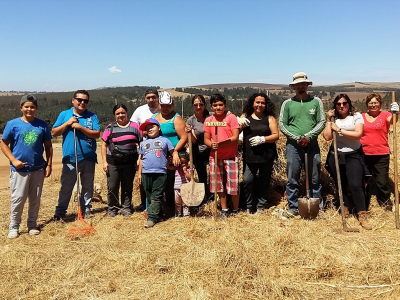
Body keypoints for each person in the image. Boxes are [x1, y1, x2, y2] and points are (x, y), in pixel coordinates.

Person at [1, 95, 53, 239]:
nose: (29, 109)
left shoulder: (42, 125)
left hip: (38, 168)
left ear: (36, 108)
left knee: (35, 199)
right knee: (18, 198)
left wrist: (48, 164)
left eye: (32, 106)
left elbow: (48, 146)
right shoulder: (13, 124)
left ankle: (32, 225)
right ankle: (14, 226)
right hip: (20, 170)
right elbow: (3, 143)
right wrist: (13, 160)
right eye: (26, 106)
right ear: (21, 108)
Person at [279, 72, 326, 218]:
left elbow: (322, 121)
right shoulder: (287, 104)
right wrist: (297, 138)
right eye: (297, 85)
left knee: (314, 177)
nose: (301, 87)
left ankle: (317, 207)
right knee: (292, 177)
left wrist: (308, 136)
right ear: (294, 87)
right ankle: (293, 207)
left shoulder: (316, 102)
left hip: (312, 145)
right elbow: (282, 124)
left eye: (303, 84)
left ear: (307, 85)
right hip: (293, 146)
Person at [323, 94, 372, 230]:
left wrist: (339, 130)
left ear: (349, 104)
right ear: (335, 106)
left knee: (355, 184)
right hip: (336, 155)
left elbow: (358, 134)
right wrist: (329, 121)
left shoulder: (356, 116)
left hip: (353, 154)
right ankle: (345, 207)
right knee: (341, 183)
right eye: (338, 104)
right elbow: (327, 137)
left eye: (344, 103)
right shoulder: (334, 120)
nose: (342, 106)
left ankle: (362, 213)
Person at [52, 90, 101, 220]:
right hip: (70, 158)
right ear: (73, 100)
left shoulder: (92, 116)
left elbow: (97, 134)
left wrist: (80, 128)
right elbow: (54, 132)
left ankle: (86, 209)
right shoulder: (64, 114)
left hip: (88, 158)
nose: (82, 103)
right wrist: (68, 123)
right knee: (66, 187)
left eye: (85, 101)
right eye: (79, 100)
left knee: (87, 186)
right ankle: (60, 212)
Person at [240, 92, 279, 213]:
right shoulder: (245, 116)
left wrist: (263, 139)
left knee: (264, 180)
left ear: (266, 105)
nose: (260, 105)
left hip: (266, 155)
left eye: (262, 103)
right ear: (252, 103)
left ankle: (261, 205)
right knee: (247, 180)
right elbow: (235, 128)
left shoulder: (269, 118)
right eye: (257, 102)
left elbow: (276, 135)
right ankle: (248, 205)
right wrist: (238, 124)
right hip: (249, 155)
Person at [360, 93, 399, 211]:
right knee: (365, 181)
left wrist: (396, 112)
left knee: (382, 182)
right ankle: (364, 204)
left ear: (380, 104)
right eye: (371, 103)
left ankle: (385, 204)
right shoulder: (361, 116)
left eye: (376, 102)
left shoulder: (385, 115)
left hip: (381, 153)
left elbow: (393, 121)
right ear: (367, 105)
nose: (373, 105)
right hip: (364, 153)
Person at [101, 104, 142, 217]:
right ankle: (113, 208)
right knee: (112, 186)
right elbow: (104, 145)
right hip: (113, 162)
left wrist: (140, 158)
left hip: (129, 161)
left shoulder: (135, 126)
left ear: (127, 113)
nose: (120, 115)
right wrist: (104, 162)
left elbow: (141, 143)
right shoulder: (110, 127)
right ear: (115, 115)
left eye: (122, 112)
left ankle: (126, 208)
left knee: (127, 186)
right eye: (118, 113)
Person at [204, 93, 240, 218]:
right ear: (211, 107)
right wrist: (211, 145)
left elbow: (235, 137)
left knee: (233, 184)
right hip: (215, 157)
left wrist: (221, 144)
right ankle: (224, 209)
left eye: (220, 105)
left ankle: (235, 209)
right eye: (215, 105)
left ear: (225, 105)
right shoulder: (209, 120)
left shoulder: (231, 118)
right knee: (219, 185)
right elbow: (206, 139)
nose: (218, 107)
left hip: (231, 156)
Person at [153, 91, 188, 216]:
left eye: (168, 105)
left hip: (174, 156)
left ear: (172, 105)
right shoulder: (155, 118)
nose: (166, 108)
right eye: (163, 105)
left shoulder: (176, 118)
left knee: (173, 183)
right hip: (159, 156)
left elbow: (184, 137)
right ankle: (164, 208)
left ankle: (174, 209)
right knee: (161, 182)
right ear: (159, 104)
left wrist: (175, 152)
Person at [138, 118, 175, 228]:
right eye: (147, 128)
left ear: (159, 128)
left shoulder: (165, 140)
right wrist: (139, 174)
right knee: (149, 195)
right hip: (146, 172)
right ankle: (159, 215)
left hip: (160, 172)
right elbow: (141, 159)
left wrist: (176, 155)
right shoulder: (144, 143)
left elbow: (173, 151)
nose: (150, 129)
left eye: (152, 127)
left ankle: (151, 218)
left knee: (156, 195)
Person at [130, 88, 160, 211]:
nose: (151, 99)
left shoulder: (162, 109)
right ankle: (144, 202)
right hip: (144, 146)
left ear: (158, 97)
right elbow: (132, 126)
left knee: (160, 176)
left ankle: (159, 203)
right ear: (145, 98)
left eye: (153, 97)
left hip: (159, 147)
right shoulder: (140, 110)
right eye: (148, 97)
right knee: (143, 176)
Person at [185, 95, 211, 196]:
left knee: (213, 174)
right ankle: (203, 196)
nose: (198, 107)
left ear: (205, 105)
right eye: (196, 105)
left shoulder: (211, 117)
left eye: (201, 104)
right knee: (202, 175)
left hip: (211, 150)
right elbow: (194, 141)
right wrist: (190, 133)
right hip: (198, 152)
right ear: (192, 106)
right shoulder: (191, 121)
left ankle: (215, 195)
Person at [173, 151, 191, 217]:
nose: (183, 164)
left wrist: (185, 171)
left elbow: (190, 178)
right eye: (182, 163)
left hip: (186, 188)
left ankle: (186, 214)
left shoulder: (189, 169)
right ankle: (178, 213)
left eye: (185, 163)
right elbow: (169, 167)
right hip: (177, 188)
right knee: (177, 202)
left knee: (185, 202)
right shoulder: (176, 168)